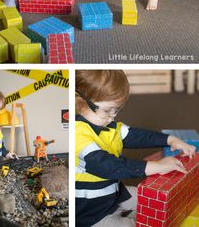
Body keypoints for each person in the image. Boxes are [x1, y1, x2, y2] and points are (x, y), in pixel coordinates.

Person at [75, 70, 196, 227]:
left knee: (153, 202)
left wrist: (170, 139)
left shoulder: (108, 125)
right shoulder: (77, 134)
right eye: (106, 110)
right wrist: (155, 166)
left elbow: (137, 136)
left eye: (116, 110)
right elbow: (108, 166)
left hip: (115, 196)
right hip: (91, 213)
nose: (112, 117)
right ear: (79, 102)